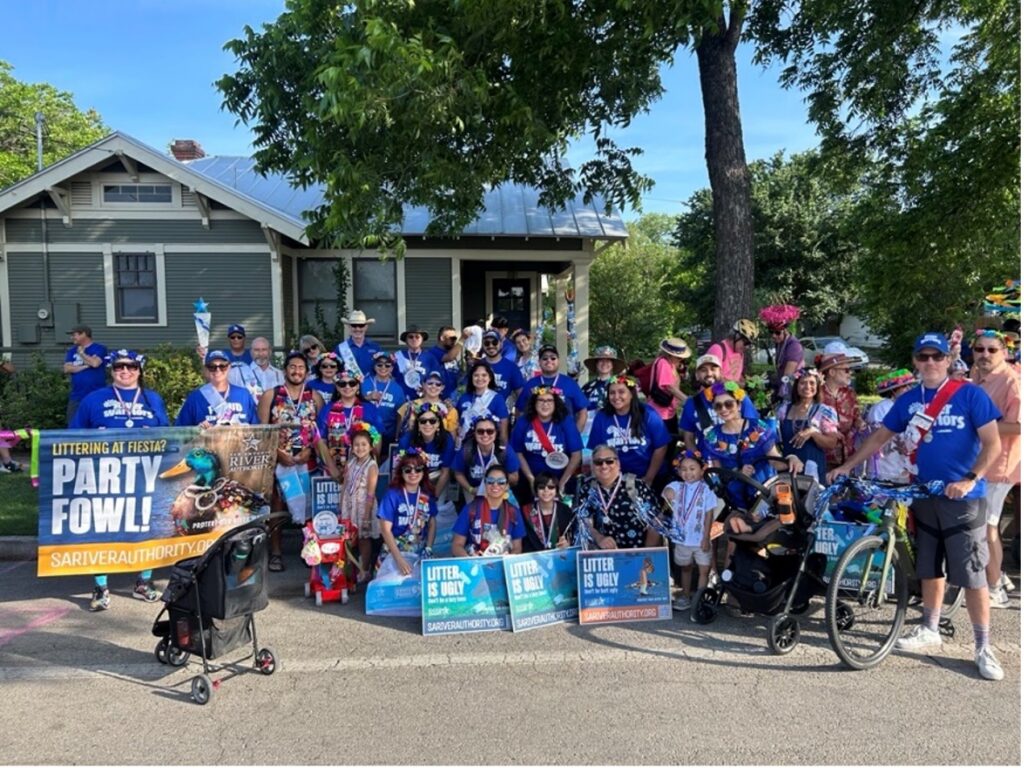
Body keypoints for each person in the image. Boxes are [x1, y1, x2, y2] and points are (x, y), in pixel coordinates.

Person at [828, 332, 1004, 681]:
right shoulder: (908, 400)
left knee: (970, 573)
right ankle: (930, 627)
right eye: (923, 357)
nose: (930, 363)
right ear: (915, 361)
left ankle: (984, 645)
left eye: (936, 357)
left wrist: (970, 478)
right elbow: (881, 437)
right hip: (922, 493)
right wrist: (849, 465)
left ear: (947, 360)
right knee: (928, 565)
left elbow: (993, 444)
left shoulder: (969, 395)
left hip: (962, 498)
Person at [71, 349, 169, 610]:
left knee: (146, 527)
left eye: (131, 366)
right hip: (105, 478)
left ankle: (144, 581)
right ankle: (101, 586)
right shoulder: (94, 399)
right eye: (118, 367)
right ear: (111, 370)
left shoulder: (153, 400)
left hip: (145, 476)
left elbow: (170, 436)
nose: (125, 371)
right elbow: (73, 437)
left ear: (139, 370)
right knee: (103, 530)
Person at [258, 351, 327, 572]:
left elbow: (321, 432)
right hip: (280, 461)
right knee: (277, 507)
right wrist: (277, 453)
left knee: (309, 507)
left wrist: (309, 450)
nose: (296, 371)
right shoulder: (271, 395)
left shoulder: (315, 396)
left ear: (307, 372)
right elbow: (262, 432)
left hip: (307, 459)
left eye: (301, 367)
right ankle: (275, 553)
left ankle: (309, 550)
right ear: (285, 370)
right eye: (292, 367)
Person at [968, 329, 1020, 609]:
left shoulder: (1012, 381)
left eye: (992, 350)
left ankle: (995, 587)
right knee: (981, 525)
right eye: (979, 349)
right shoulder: (977, 377)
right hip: (978, 463)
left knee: (988, 527)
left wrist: (979, 424)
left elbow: (1018, 426)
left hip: (1000, 465)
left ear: (1005, 352)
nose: (985, 354)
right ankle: (994, 577)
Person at [701, 381, 801, 512]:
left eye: (728, 404)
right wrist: (737, 473)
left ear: (739, 405)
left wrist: (791, 458)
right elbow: (719, 474)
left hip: (764, 493)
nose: (724, 409)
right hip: (736, 499)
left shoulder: (758, 427)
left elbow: (775, 461)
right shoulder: (712, 436)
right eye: (718, 406)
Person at [587, 374, 670, 488]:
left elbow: (661, 446)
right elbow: (596, 451)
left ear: (631, 394)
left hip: (649, 476)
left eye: (621, 392)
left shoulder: (648, 414)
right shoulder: (602, 416)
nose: (616, 397)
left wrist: (649, 478)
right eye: (612, 393)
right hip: (614, 479)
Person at [573, 445, 662, 549]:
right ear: (592, 466)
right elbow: (583, 522)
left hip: (637, 555)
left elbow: (656, 521)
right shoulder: (587, 489)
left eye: (609, 461)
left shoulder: (636, 486)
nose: (604, 466)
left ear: (618, 463)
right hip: (603, 558)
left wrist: (648, 554)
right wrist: (599, 538)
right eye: (598, 462)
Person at [661, 450, 719, 611]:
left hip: (700, 538)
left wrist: (706, 537)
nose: (688, 473)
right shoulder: (676, 486)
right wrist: (668, 493)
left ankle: (700, 598)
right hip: (682, 539)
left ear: (702, 470)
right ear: (678, 471)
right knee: (685, 567)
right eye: (684, 469)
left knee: (703, 569)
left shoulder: (708, 490)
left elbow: (709, 515)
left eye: (692, 468)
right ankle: (685, 595)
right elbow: (667, 492)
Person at [510, 388, 583, 500]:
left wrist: (562, 483)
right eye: (541, 400)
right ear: (534, 402)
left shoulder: (566, 421)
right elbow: (517, 452)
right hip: (530, 480)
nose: (545, 404)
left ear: (556, 403)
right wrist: (530, 478)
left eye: (549, 400)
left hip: (560, 479)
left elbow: (576, 455)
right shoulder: (524, 421)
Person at [680, 353, 760, 454]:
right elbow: (688, 437)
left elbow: (755, 428)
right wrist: (697, 459)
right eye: (703, 370)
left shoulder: (739, 397)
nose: (709, 373)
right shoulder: (691, 403)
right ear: (697, 375)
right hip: (709, 461)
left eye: (713, 369)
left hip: (743, 457)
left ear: (721, 372)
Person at [376, 450, 438, 577]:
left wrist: (429, 548)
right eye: (408, 470)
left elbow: (432, 522)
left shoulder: (426, 494)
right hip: (393, 554)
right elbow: (385, 530)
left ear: (424, 472)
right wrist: (399, 560)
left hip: (418, 553)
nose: (413, 473)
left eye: (418, 469)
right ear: (401, 472)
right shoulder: (392, 494)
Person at [775, 368, 840, 485]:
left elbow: (832, 443)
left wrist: (813, 433)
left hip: (812, 469)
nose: (807, 386)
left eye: (812, 383)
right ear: (796, 386)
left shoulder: (824, 411)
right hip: (788, 467)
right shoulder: (783, 409)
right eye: (802, 383)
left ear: (818, 386)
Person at [338, 423, 381, 586]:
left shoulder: (371, 466)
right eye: (356, 444)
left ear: (370, 447)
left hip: (363, 506)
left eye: (364, 445)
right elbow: (345, 485)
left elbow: (371, 492)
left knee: (364, 538)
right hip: (349, 505)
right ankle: (349, 567)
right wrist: (341, 505)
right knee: (348, 538)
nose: (360, 448)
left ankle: (365, 568)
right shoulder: (350, 463)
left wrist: (366, 514)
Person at [451, 465, 527, 556]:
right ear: (485, 483)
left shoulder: (514, 512)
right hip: (475, 564)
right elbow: (457, 545)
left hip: (503, 564)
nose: (495, 485)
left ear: (507, 486)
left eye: (501, 482)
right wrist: (471, 561)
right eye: (490, 481)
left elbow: (517, 548)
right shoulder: (470, 509)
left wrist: (507, 559)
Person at [317, 368, 380, 473]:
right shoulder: (327, 409)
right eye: (342, 384)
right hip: (334, 469)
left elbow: (377, 439)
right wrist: (332, 468)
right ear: (337, 387)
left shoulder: (370, 408)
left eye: (352, 383)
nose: (347, 387)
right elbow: (320, 441)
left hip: (364, 469)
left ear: (358, 386)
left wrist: (373, 464)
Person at [175, 350, 259, 427]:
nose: (218, 370)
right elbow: (180, 432)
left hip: (238, 443)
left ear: (229, 367)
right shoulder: (195, 398)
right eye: (212, 367)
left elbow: (256, 429)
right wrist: (197, 431)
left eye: (223, 366)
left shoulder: (243, 394)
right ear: (206, 370)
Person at [516, 345, 589, 433]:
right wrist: (523, 432)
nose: (549, 361)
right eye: (545, 358)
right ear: (539, 362)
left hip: (564, 438)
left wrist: (575, 435)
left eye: (553, 358)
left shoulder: (570, 383)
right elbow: (519, 410)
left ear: (558, 361)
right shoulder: (531, 384)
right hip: (536, 438)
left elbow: (583, 412)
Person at [859, 369, 916, 482]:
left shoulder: (908, 407)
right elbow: (879, 436)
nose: (909, 389)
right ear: (894, 390)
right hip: (883, 467)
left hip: (902, 466)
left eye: (910, 386)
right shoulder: (882, 407)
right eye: (905, 386)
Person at [452, 415, 520, 503]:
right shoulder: (466, 450)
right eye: (480, 431)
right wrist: (470, 489)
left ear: (496, 433)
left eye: (490, 431)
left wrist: (498, 473)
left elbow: (515, 478)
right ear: (474, 433)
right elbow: (458, 473)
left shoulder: (504, 450)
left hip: (499, 489)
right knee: (474, 515)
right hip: (474, 490)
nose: (485, 434)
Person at [397, 402, 455, 499]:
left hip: (437, 481)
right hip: (412, 479)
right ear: (418, 424)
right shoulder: (406, 439)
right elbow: (400, 469)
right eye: (423, 421)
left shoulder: (447, 440)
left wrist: (434, 497)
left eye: (432, 421)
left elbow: (445, 472)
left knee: (437, 509)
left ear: (438, 424)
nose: (427, 424)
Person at [818, 349, 862, 470]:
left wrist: (861, 424)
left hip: (848, 457)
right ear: (832, 372)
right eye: (846, 370)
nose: (850, 374)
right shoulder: (817, 394)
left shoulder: (850, 393)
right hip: (823, 457)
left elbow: (857, 417)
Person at [360, 351, 406, 453]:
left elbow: (400, 414)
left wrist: (397, 436)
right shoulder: (364, 383)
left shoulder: (397, 389)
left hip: (388, 433)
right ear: (374, 366)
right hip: (365, 432)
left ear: (392, 368)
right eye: (379, 364)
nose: (383, 367)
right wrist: (367, 398)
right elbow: (354, 404)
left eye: (387, 365)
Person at [456, 361, 511, 444]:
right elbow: (457, 421)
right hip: (464, 446)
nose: (480, 378)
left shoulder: (497, 398)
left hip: (487, 444)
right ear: (471, 378)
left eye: (484, 375)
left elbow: (503, 427)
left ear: (490, 378)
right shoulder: (464, 397)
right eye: (476, 375)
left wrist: (503, 448)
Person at [63, 324, 107, 425]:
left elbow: (95, 363)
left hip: (96, 394)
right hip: (77, 395)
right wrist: (85, 366)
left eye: (74, 335)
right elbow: (67, 368)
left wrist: (82, 354)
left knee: (97, 423)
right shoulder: (72, 351)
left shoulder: (99, 348)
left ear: (84, 334)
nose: (72, 338)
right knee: (73, 424)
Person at [521, 472, 576, 551]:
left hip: (558, 556)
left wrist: (568, 543)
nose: (546, 490)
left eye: (551, 487)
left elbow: (571, 535)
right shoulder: (525, 511)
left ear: (556, 490)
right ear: (536, 490)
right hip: (532, 558)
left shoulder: (565, 510)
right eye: (541, 487)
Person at [758, 304, 804, 401]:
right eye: (771, 332)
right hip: (782, 386)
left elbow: (787, 376)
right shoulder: (779, 343)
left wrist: (780, 396)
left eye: (777, 332)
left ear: (785, 331)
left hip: (792, 390)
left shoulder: (794, 346)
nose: (774, 336)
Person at [647, 338, 691, 436]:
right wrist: (688, 400)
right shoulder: (663, 363)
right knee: (664, 443)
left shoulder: (670, 364)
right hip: (660, 412)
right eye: (679, 357)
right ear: (670, 354)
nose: (682, 359)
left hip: (668, 411)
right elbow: (669, 386)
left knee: (672, 438)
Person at [396, 370, 459, 439]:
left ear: (443, 387)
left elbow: (452, 438)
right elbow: (398, 433)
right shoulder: (409, 406)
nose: (433, 386)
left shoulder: (449, 409)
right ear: (423, 384)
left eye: (438, 384)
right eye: (430, 383)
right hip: (412, 447)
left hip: (439, 448)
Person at [228, 336, 284, 405]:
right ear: (251, 352)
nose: (260, 354)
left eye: (264, 350)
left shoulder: (279, 375)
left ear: (270, 352)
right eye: (256, 350)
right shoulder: (237, 373)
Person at [477, 329, 525, 402]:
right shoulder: (477, 366)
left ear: (501, 344)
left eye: (494, 342)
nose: (491, 346)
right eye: (487, 343)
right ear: (482, 345)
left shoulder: (512, 368)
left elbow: (521, 395)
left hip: (503, 412)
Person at [334, 309, 383, 378]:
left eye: (361, 326)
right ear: (349, 327)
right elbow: (335, 370)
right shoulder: (340, 348)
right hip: (349, 386)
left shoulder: (375, 347)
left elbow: (383, 368)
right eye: (354, 325)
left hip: (372, 386)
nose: (357, 329)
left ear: (366, 327)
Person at [708, 319, 758, 385]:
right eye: (746, 343)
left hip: (731, 393)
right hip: (714, 393)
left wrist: (746, 381)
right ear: (736, 336)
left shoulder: (740, 354)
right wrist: (735, 385)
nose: (747, 347)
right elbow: (711, 376)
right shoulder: (718, 349)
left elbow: (735, 375)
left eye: (749, 344)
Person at [423, 325, 467, 400]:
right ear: (442, 338)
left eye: (455, 338)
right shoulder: (433, 352)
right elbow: (449, 357)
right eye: (452, 338)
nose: (454, 341)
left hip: (454, 396)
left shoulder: (451, 352)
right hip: (440, 397)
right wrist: (462, 339)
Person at [582, 345, 627, 412]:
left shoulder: (620, 385)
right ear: (596, 364)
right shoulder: (587, 387)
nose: (604, 363)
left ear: (612, 365)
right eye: (601, 360)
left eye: (608, 361)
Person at [395, 324, 433, 399]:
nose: (414, 339)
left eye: (417, 336)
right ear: (406, 340)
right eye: (411, 337)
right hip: (401, 400)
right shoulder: (397, 356)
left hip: (423, 401)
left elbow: (437, 378)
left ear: (422, 339)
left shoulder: (430, 357)